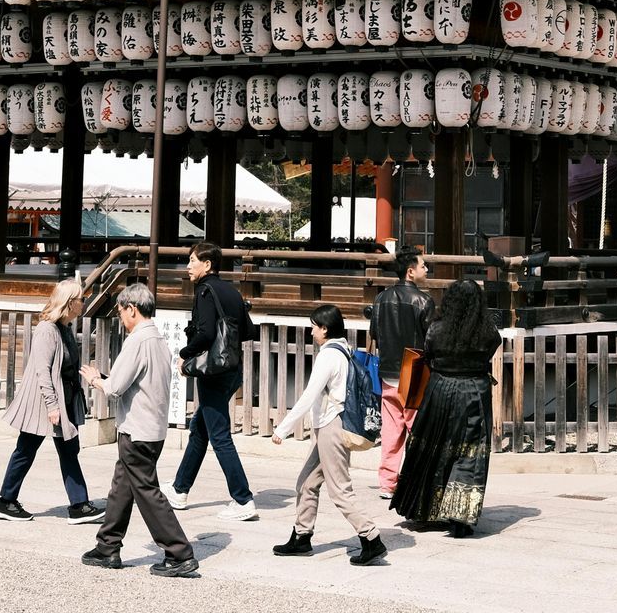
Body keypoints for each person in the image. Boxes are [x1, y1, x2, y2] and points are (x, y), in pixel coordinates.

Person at [78, 283, 198, 578]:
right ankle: (107, 546)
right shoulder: (158, 340)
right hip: (152, 427)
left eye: (121, 312)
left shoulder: (137, 341)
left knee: (147, 491)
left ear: (132, 308)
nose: (120, 318)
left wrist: (96, 379)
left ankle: (179, 552)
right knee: (122, 487)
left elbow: (115, 387)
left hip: (137, 429)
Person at [271, 305, 387, 565]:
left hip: (331, 427)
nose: (311, 331)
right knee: (306, 482)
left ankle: (371, 538)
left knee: (339, 490)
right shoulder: (343, 350)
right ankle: (302, 536)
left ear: (325, 328)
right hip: (329, 425)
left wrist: (283, 428)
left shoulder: (328, 356)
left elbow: (309, 395)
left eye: (314, 326)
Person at [391, 277, 500, 536]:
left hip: (439, 390)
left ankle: (425, 507)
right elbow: (489, 352)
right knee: (469, 454)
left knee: (433, 447)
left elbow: (428, 355)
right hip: (473, 391)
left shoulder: (435, 329)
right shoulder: (488, 332)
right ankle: (459, 517)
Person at [0, 279, 100, 523]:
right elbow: (42, 370)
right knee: (26, 449)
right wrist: (52, 406)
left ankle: (78, 504)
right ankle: (6, 501)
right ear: (70, 302)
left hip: (64, 398)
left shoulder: (64, 327)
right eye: (81, 299)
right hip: (43, 403)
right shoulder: (47, 329)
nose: (84, 302)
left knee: (68, 449)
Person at [167, 242, 258, 520]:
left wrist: (185, 355)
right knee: (200, 431)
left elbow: (205, 333)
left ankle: (242, 500)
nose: (188, 266)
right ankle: (180, 490)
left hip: (212, 372)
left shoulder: (205, 291)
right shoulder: (231, 290)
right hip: (231, 369)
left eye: (193, 260)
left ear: (207, 265)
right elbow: (246, 330)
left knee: (218, 435)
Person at [365, 247, 432, 498]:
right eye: (423, 265)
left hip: (387, 371)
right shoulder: (424, 301)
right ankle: (418, 479)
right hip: (414, 372)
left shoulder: (382, 298)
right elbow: (431, 340)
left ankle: (387, 483)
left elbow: (374, 334)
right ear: (411, 271)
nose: (426, 269)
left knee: (391, 431)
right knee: (418, 429)